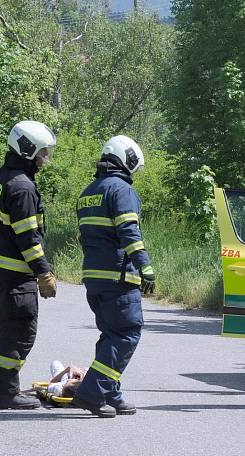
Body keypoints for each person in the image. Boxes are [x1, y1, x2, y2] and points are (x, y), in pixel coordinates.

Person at [0, 120, 58, 410]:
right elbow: (28, 238)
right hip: (16, 273)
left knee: (6, 325)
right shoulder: (22, 187)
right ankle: (6, 392)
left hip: (1, 269)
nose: (45, 158)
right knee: (21, 329)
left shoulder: (6, 174)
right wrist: (43, 272)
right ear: (27, 149)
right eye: (42, 152)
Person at [72, 135, 154, 418]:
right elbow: (129, 231)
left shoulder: (88, 192)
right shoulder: (122, 191)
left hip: (93, 277)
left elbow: (84, 237)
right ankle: (92, 393)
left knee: (110, 334)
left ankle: (111, 393)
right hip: (118, 277)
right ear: (127, 160)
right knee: (126, 333)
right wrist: (145, 266)